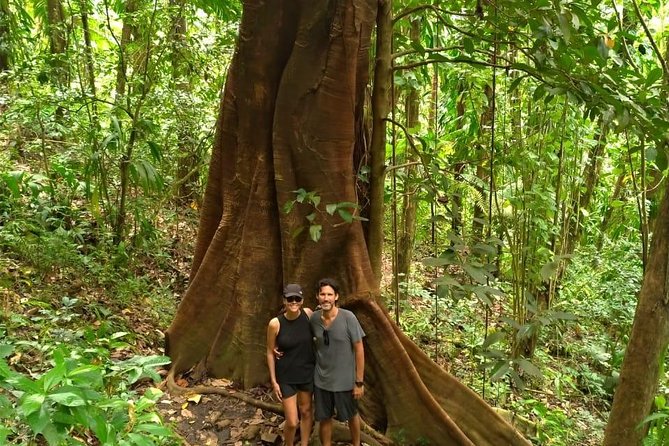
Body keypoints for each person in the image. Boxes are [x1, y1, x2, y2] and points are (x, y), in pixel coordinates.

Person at [310, 278, 365, 446]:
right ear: (317, 297)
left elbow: (359, 350)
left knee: (352, 415)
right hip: (321, 380)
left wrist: (359, 382)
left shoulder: (348, 317)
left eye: (329, 294)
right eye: (322, 294)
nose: (326, 298)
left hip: (345, 382)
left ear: (336, 297)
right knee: (324, 418)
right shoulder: (314, 319)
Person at [266, 284, 315, 446]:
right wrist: (274, 381)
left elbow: (322, 332)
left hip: (307, 371)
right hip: (286, 375)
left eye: (297, 299)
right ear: (284, 301)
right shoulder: (275, 323)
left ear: (302, 300)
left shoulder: (308, 314)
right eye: (290, 299)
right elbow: (269, 352)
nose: (294, 302)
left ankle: (305, 443)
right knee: (293, 421)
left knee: (306, 411)